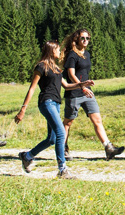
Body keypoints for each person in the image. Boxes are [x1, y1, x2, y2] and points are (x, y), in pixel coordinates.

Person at [14, 40, 94, 179]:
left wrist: (82, 84)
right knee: (61, 133)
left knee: (52, 139)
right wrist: (23, 109)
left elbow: (67, 86)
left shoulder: (57, 69)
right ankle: (62, 170)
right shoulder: (41, 67)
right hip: (47, 102)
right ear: (51, 51)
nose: (60, 52)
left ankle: (27, 156)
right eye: (57, 49)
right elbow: (32, 88)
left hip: (56, 103)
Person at [61, 28, 124, 161]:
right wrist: (82, 86)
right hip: (74, 92)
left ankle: (108, 148)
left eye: (87, 38)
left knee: (97, 120)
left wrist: (86, 87)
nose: (85, 41)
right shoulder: (72, 55)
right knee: (68, 122)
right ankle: (63, 149)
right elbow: (71, 74)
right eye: (82, 38)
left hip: (87, 92)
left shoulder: (87, 54)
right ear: (77, 39)